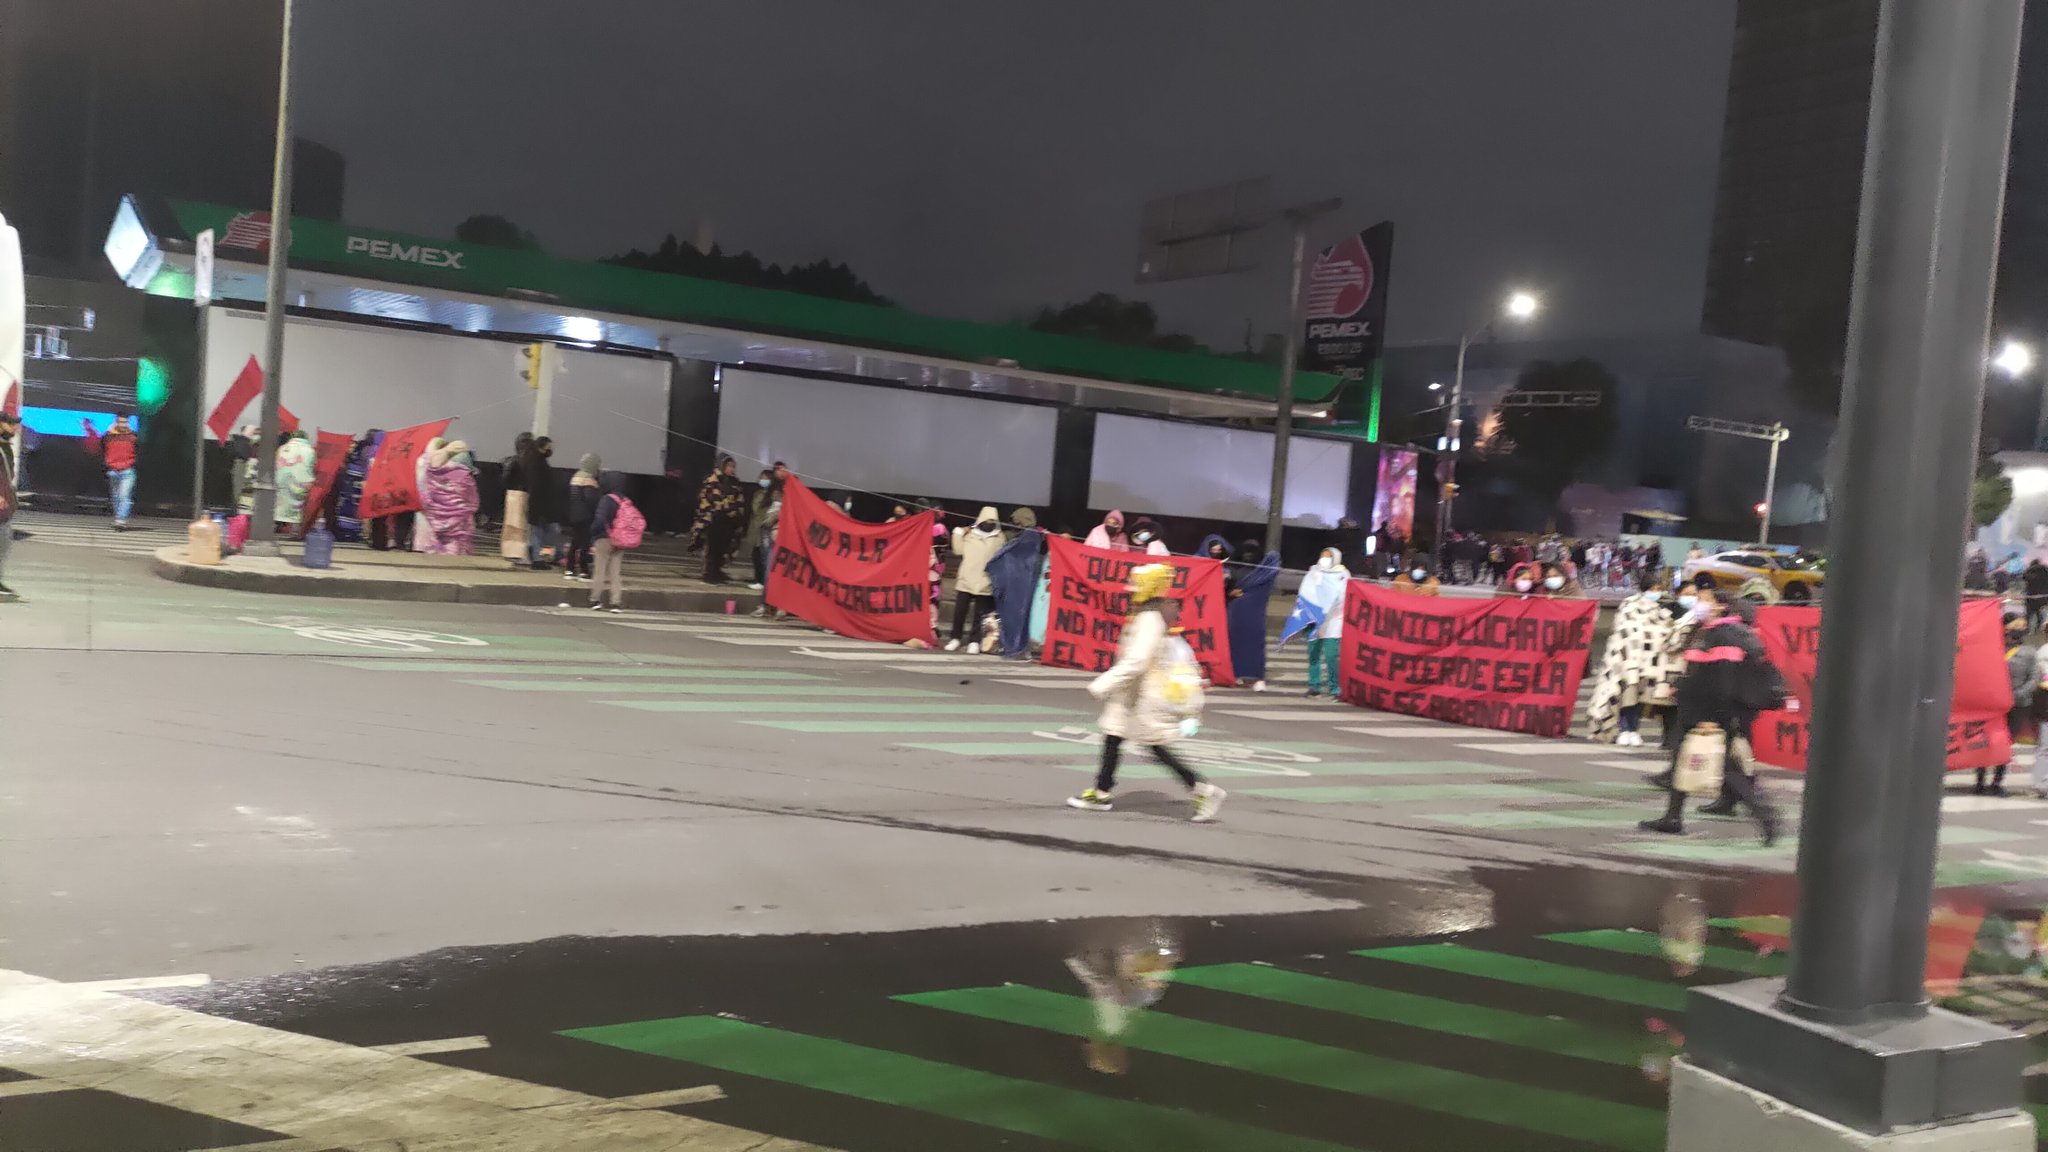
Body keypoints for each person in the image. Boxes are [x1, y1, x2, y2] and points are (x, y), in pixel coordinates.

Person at [1066, 563, 1227, 822]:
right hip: (1132, 694)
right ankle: (1101, 791)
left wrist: (1104, 683)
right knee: (1114, 737)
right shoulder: (1147, 614)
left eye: (1136, 586)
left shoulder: (1148, 619)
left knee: (1153, 746)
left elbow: (1138, 660)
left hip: (1142, 696)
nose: (1131, 591)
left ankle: (1203, 789)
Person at [1638, 585, 1784, 843]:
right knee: (1682, 761)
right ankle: (1672, 817)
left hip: (1711, 713)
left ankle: (1765, 815)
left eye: (1703, 600)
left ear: (1720, 606)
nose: (1697, 603)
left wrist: (1714, 717)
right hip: (1695, 709)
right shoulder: (1707, 630)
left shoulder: (1727, 634)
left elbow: (1723, 681)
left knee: (1729, 769)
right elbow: (1698, 672)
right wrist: (1680, 687)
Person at [1587, 571, 1693, 747]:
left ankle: (1633, 729)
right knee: (1624, 696)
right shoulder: (1629, 605)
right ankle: (1623, 729)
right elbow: (1624, 630)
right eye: (1653, 588)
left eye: (1659, 589)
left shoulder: (1661, 610)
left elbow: (1664, 632)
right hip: (1627, 661)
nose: (1656, 592)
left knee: (1638, 700)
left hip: (1648, 664)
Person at [1986, 611, 2037, 797]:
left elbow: (2033, 679)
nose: (2018, 632)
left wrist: (2016, 695)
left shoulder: (2029, 652)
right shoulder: (1994, 648)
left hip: (2017, 704)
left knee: (2007, 743)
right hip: (1993, 703)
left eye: (2021, 629)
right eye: (2014, 628)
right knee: (1986, 741)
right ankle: (1980, 779)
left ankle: (1997, 781)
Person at [988, 508, 1045, 660]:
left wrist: (996, 563)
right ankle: (1016, 647)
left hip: (1019, 584)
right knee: (1019, 617)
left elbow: (1014, 556)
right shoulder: (1031, 536)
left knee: (1015, 617)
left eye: (1017, 520)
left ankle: (1013, 647)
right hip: (1021, 583)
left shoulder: (1029, 536)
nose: (1014, 523)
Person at [1225, 538, 1280, 692]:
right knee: (1234, 645)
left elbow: (1274, 560)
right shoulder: (1232, 569)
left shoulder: (1264, 572)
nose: (1248, 555)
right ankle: (1237, 675)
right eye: (1246, 551)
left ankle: (1258, 677)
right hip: (1235, 614)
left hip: (1255, 614)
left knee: (1256, 646)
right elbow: (1223, 590)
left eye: (1252, 552)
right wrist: (1230, 593)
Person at [949, 506, 1004, 653]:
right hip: (966, 578)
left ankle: (975, 640)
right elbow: (958, 550)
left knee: (980, 614)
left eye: (993, 521)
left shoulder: (999, 538)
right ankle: (955, 638)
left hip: (985, 580)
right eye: (987, 520)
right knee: (960, 611)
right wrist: (958, 533)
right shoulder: (970, 535)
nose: (989, 523)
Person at [1297, 548, 1350, 697]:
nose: (1324, 559)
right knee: (1314, 654)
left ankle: (1335, 687)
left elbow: (1342, 597)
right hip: (1314, 620)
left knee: (1331, 656)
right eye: (1322, 556)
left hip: (1333, 622)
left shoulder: (1343, 575)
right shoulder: (1313, 572)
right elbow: (1305, 593)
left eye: (1328, 556)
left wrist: (1326, 612)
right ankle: (1314, 686)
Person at [692, 456, 748, 584]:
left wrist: (736, 511)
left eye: (733, 466)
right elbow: (712, 498)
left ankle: (718, 571)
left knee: (725, 547)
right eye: (728, 466)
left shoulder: (735, 482)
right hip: (714, 519)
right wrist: (728, 508)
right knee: (712, 547)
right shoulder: (712, 480)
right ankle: (709, 573)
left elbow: (740, 499)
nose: (731, 469)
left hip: (728, 521)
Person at [416, 440, 480, 555]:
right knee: (456, 545)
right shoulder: (463, 475)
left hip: (437, 516)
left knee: (439, 543)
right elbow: (473, 499)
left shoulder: (432, 473)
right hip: (459, 517)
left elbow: (426, 492)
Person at [588, 472, 635, 612]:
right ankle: (616, 602)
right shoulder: (625, 500)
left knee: (600, 570)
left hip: (604, 538)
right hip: (620, 539)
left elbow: (600, 520)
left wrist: (593, 533)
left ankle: (596, 600)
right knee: (615, 572)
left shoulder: (606, 499)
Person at [82, 414, 139, 529]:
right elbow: (101, 449)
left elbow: (138, 450)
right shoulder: (108, 436)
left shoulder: (133, 436)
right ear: (116, 422)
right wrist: (107, 464)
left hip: (127, 470)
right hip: (113, 470)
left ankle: (121, 520)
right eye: (121, 422)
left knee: (124, 496)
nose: (123, 424)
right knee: (115, 497)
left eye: (125, 422)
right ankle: (118, 517)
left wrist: (133, 463)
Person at [521, 435, 560, 570]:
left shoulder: (534, 461)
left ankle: (539, 557)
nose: (550, 450)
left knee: (541, 531)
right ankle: (538, 559)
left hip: (541, 503)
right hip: (540, 503)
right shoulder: (537, 463)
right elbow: (538, 485)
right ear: (541, 447)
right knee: (542, 531)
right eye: (549, 447)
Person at [562, 454, 604, 581]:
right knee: (585, 544)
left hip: (574, 515)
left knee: (575, 542)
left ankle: (569, 569)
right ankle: (584, 571)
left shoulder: (576, 477)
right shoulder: (589, 479)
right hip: (586, 516)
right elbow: (591, 500)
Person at [272, 430, 316, 532]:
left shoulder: (282, 448)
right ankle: (295, 530)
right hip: (301, 481)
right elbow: (310, 466)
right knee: (297, 507)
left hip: (281, 480)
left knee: (279, 505)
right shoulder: (310, 450)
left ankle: (274, 528)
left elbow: (276, 464)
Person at [500, 432, 533, 565]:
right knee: (521, 526)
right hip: (523, 494)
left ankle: (510, 551)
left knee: (511, 525)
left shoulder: (511, 460)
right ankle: (519, 553)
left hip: (512, 493)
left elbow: (505, 479)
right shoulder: (528, 462)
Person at [744, 468, 780, 590]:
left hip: (765, 528)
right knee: (756, 555)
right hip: (755, 528)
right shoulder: (758, 493)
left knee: (764, 556)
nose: (763, 480)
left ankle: (764, 581)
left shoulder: (774, 495)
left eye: (766, 478)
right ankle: (758, 579)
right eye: (762, 478)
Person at [0, 413, 18, 600]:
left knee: (4, 541)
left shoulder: (5, 447)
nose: (14, 428)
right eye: (10, 424)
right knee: (3, 541)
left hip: (5, 503)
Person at [2025, 558, 2048, 634]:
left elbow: (2024, 578)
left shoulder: (2029, 571)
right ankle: (2043, 632)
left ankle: (2031, 632)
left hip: (2031, 598)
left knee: (2032, 616)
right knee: (2044, 616)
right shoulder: (2045, 570)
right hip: (2044, 598)